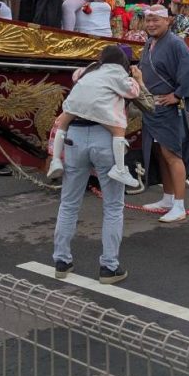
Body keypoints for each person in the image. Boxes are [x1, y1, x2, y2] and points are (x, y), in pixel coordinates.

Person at [50, 101, 130, 287]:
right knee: (113, 206)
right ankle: (109, 266)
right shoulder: (118, 77)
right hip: (106, 135)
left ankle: (61, 261)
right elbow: (145, 102)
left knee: (68, 204)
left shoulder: (81, 77)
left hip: (75, 134)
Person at [137, 5, 189, 224]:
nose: (151, 24)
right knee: (160, 154)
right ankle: (167, 198)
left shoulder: (175, 43)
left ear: (168, 21)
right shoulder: (149, 43)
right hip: (151, 106)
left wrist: (178, 95)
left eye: (156, 20)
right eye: (148, 21)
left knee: (172, 154)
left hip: (166, 107)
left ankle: (179, 205)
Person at [47, 45, 142, 188]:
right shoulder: (118, 72)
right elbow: (132, 92)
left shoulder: (91, 68)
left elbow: (75, 75)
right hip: (98, 114)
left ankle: (55, 160)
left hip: (75, 106)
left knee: (62, 123)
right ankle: (120, 169)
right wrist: (136, 81)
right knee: (119, 130)